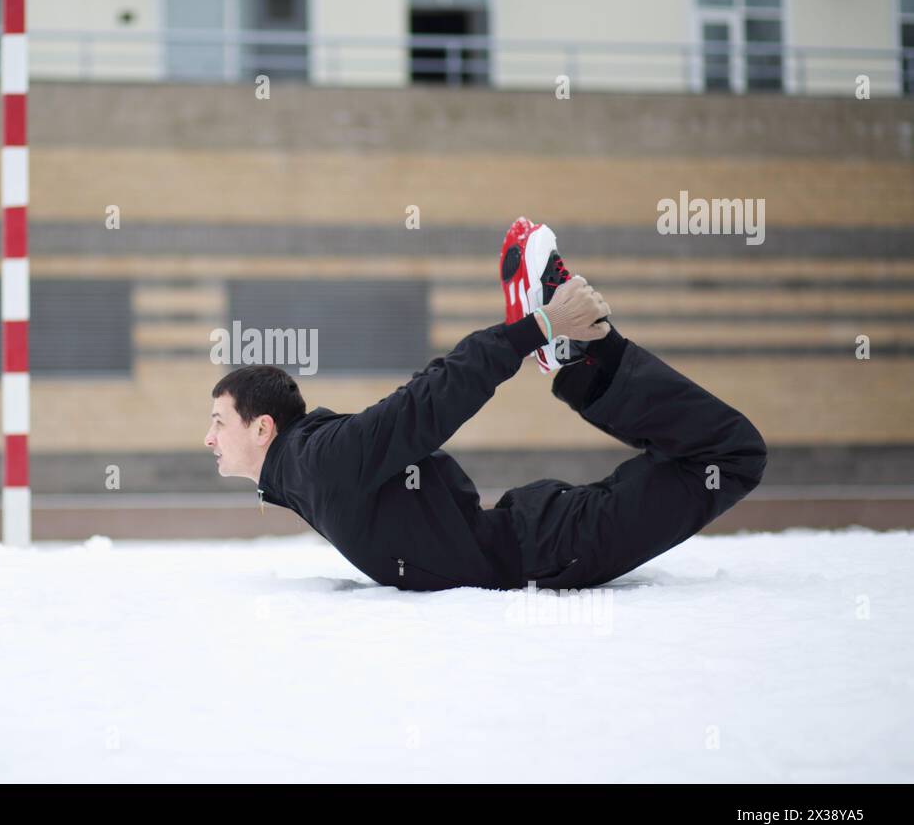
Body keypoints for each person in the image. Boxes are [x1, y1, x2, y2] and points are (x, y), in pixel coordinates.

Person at [204, 218, 768, 591]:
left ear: (262, 428)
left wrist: (533, 327)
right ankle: (578, 352)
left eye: (218, 421)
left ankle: (581, 343)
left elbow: (423, 405)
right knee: (713, 457)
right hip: (532, 536)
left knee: (731, 454)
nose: (208, 438)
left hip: (543, 548)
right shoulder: (299, 475)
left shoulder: (315, 462)